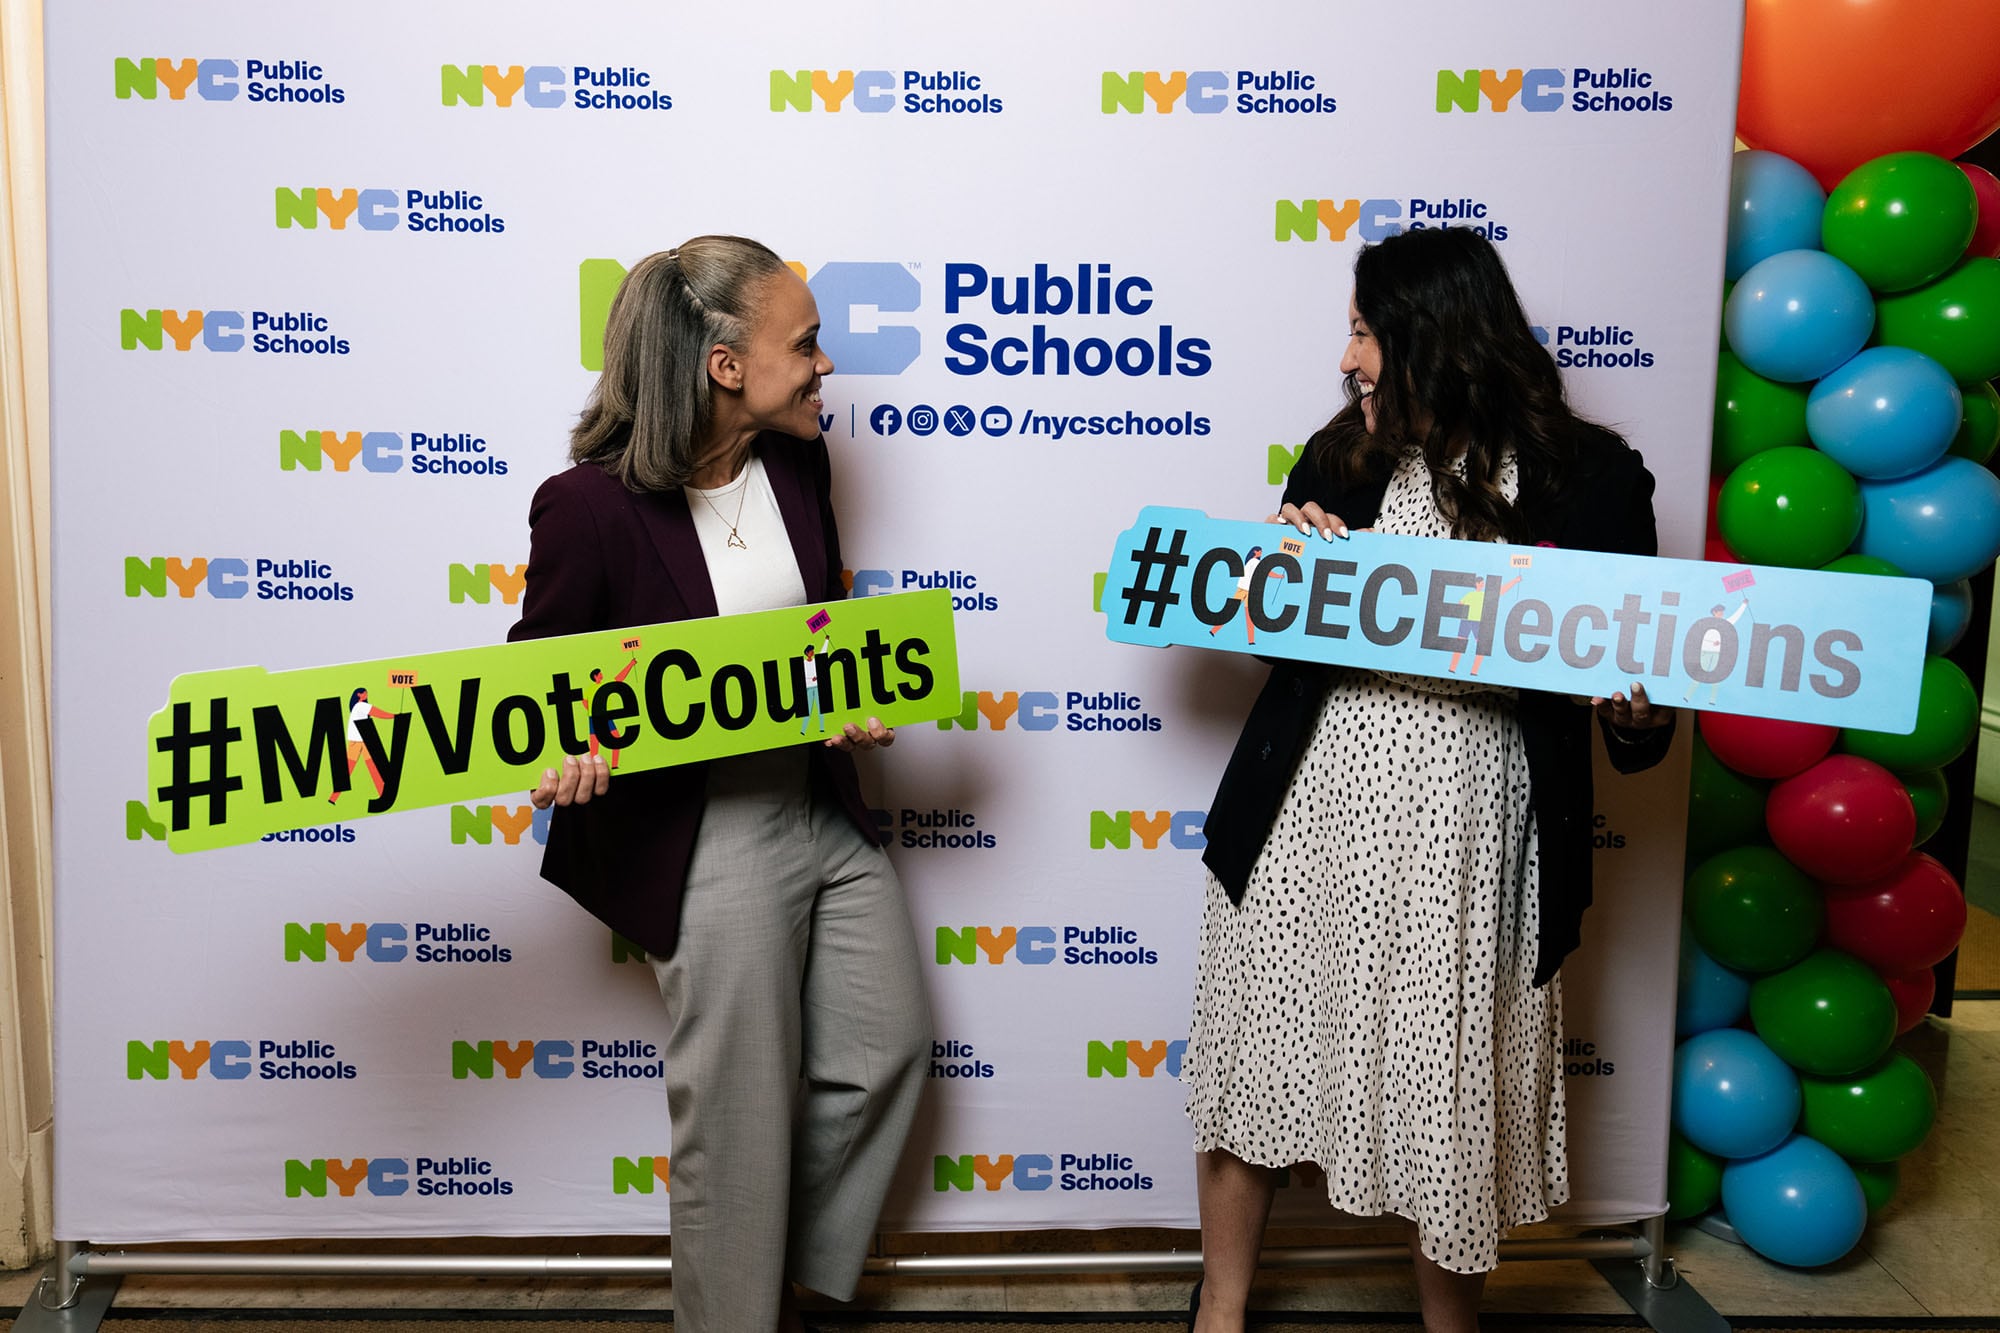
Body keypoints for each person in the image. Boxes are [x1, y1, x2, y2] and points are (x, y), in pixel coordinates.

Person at [1185, 227, 1677, 1333]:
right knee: (1251, 1051)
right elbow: (1280, 646)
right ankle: (1218, 1311)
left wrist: (1636, 709)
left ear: (1429, 338)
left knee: (1444, 1085)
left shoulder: (1587, 478)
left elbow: (1644, 704)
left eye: (1362, 330)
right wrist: (1283, 573)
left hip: (1469, 824)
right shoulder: (1337, 456)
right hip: (1303, 812)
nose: (1347, 357)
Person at [508, 236, 931, 1333]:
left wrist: (849, 696)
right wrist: (577, 748)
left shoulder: (798, 465)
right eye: (804, 344)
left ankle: (785, 1279)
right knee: (734, 1122)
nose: (825, 365)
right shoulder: (585, 508)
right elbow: (542, 692)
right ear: (726, 365)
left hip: (818, 807)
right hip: (705, 836)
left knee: (883, 1048)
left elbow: (814, 639)